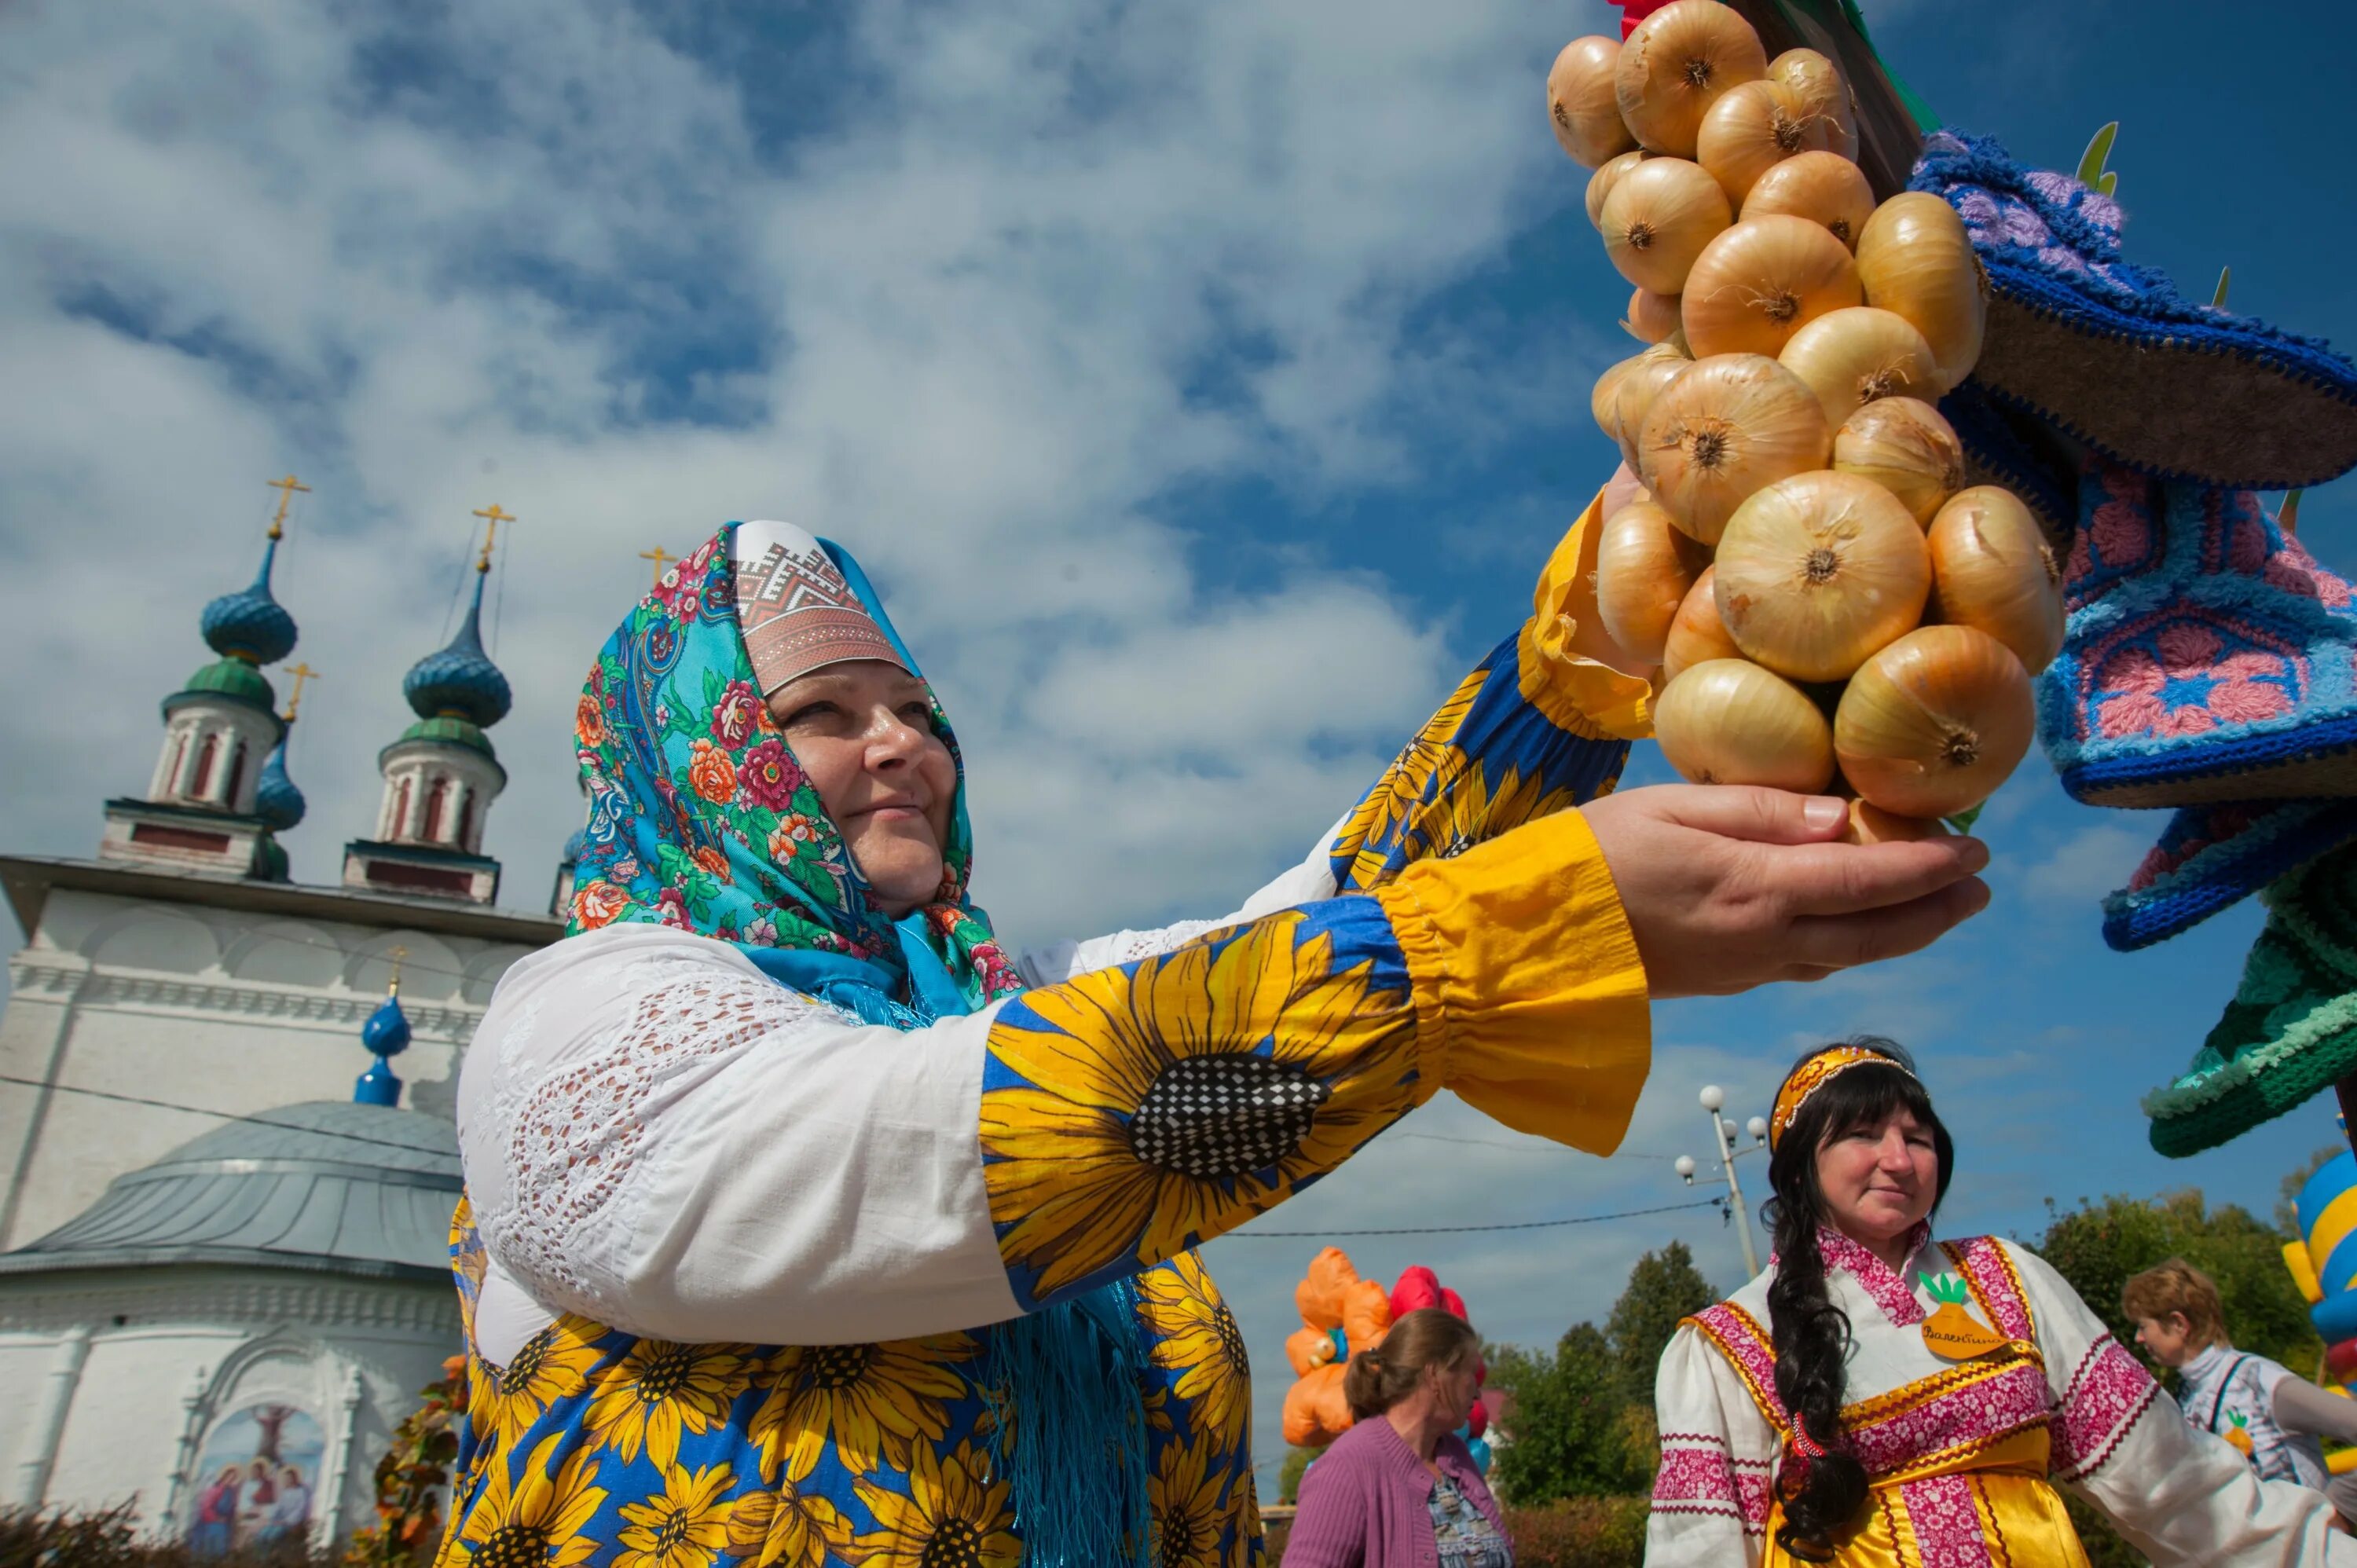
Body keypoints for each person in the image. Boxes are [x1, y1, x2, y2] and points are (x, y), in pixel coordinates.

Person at [444, 497, 1989, 1566]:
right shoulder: (583, 1017)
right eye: (825, 714)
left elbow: (1317, 922)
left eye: (912, 703)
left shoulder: (989, 995)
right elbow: (929, 1141)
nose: (904, 740)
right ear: (694, 759)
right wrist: (1515, 935)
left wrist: (1598, 644)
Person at [1648, 1039, 2355, 1566]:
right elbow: (1700, 1548)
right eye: (1864, 1135)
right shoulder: (1726, 1342)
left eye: (1917, 1138)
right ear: (1801, 1166)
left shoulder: (2008, 1279)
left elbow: (2170, 1478)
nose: (1899, 1159)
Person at [2128, 1258, 2357, 1518]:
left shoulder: (2258, 1380)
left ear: (2179, 1324)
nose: (2139, 1338)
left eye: (2143, 1326)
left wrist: (2338, 1512)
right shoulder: (2186, 1398)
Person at [1285, 1308, 1508, 1567]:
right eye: (1471, 1373)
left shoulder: (1457, 1456)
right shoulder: (1346, 1469)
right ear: (1435, 1374)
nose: (1477, 1392)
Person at [189, 1464, 241, 1556]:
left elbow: (231, 1509)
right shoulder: (216, 1489)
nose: (230, 1480)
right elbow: (206, 1507)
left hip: (224, 1524)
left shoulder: (231, 1492)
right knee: (210, 1550)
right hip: (210, 1524)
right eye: (229, 1477)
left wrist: (232, 1518)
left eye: (233, 1478)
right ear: (224, 1476)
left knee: (221, 1551)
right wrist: (216, 1518)